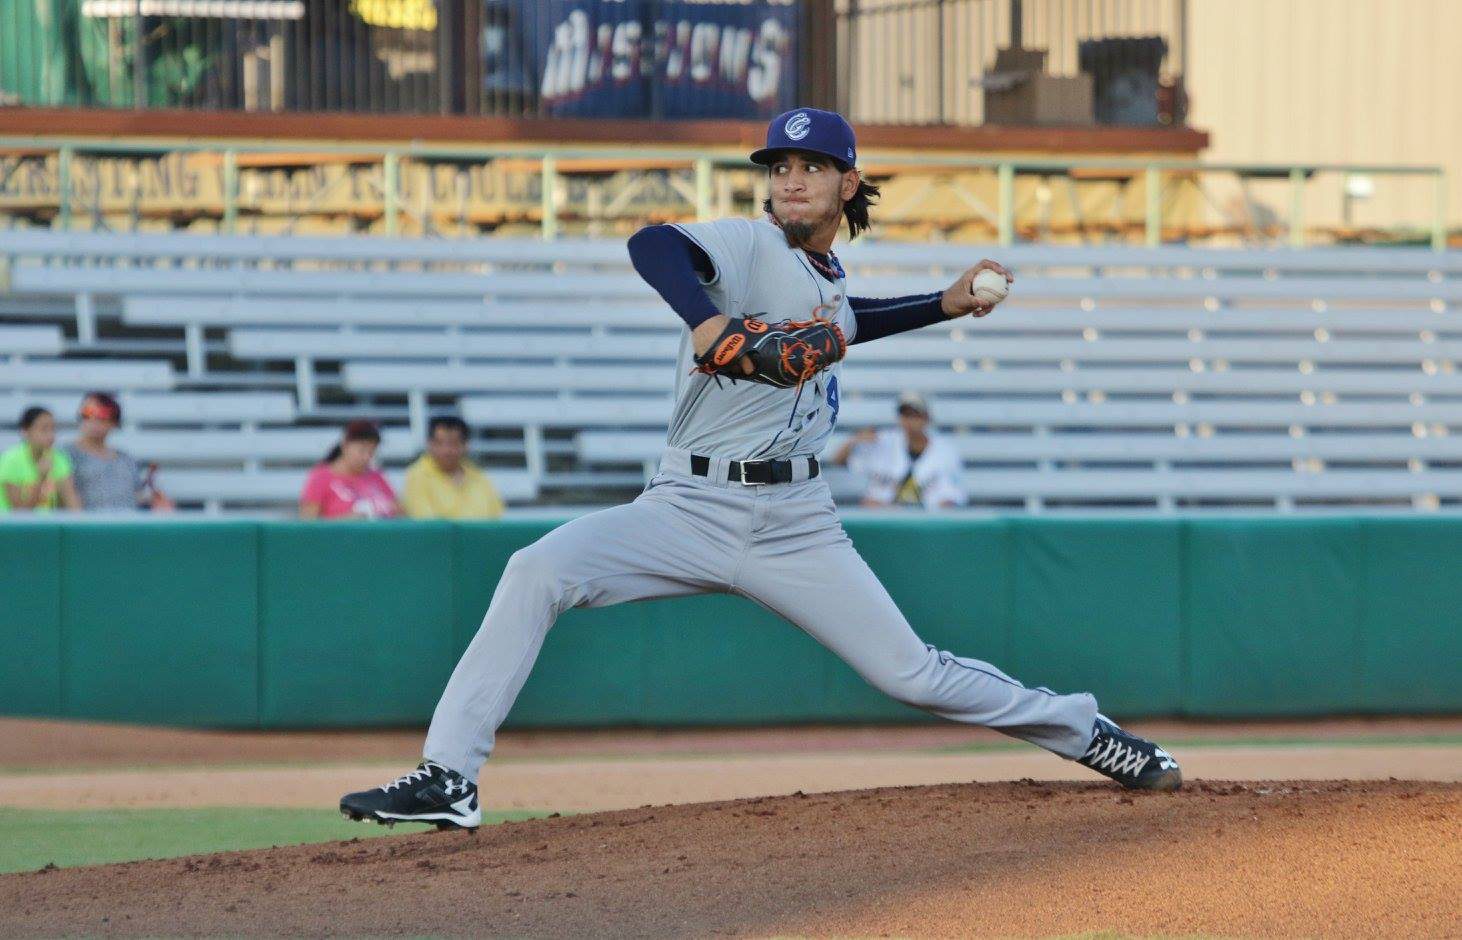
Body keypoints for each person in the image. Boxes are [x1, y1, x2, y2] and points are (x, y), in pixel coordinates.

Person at [341, 107, 1180, 831]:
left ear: (849, 183)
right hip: (685, 504)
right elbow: (654, 244)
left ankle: (1086, 730)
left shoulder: (826, 276)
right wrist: (708, 327)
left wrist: (942, 305)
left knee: (911, 672)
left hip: (796, 521)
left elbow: (847, 319)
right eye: (780, 164)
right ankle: (451, 776)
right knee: (537, 569)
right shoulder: (746, 245)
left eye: (812, 165)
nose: (791, 178)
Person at [831, 391, 966, 509]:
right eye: (905, 415)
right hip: (887, 518)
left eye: (914, 415)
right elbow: (838, 460)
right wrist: (854, 440)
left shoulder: (945, 451)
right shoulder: (883, 442)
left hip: (929, 523)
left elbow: (951, 499)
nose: (909, 420)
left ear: (926, 418)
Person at [64, 392, 173, 512]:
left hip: (129, 525)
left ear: (114, 421)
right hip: (90, 527)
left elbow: (135, 496)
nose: (93, 420)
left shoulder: (125, 458)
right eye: (88, 413)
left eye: (102, 415)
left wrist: (155, 500)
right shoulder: (65, 455)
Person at [401, 417, 504, 520]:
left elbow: (495, 517)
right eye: (439, 443)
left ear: (465, 445)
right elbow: (427, 524)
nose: (446, 450)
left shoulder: (478, 476)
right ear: (429, 444)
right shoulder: (417, 475)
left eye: (453, 444)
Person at [299, 420, 399, 519]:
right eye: (362, 450)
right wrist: (346, 521)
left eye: (371, 451)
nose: (366, 457)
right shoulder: (321, 478)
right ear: (345, 445)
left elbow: (399, 512)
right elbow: (309, 524)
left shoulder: (376, 476)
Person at [1, 406, 82, 513]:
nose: (51, 436)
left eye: (53, 429)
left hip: (48, 527)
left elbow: (73, 506)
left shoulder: (59, 459)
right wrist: (41, 478)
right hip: (13, 528)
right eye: (44, 429)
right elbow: (20, 514)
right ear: (25, 431)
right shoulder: (11, 460)